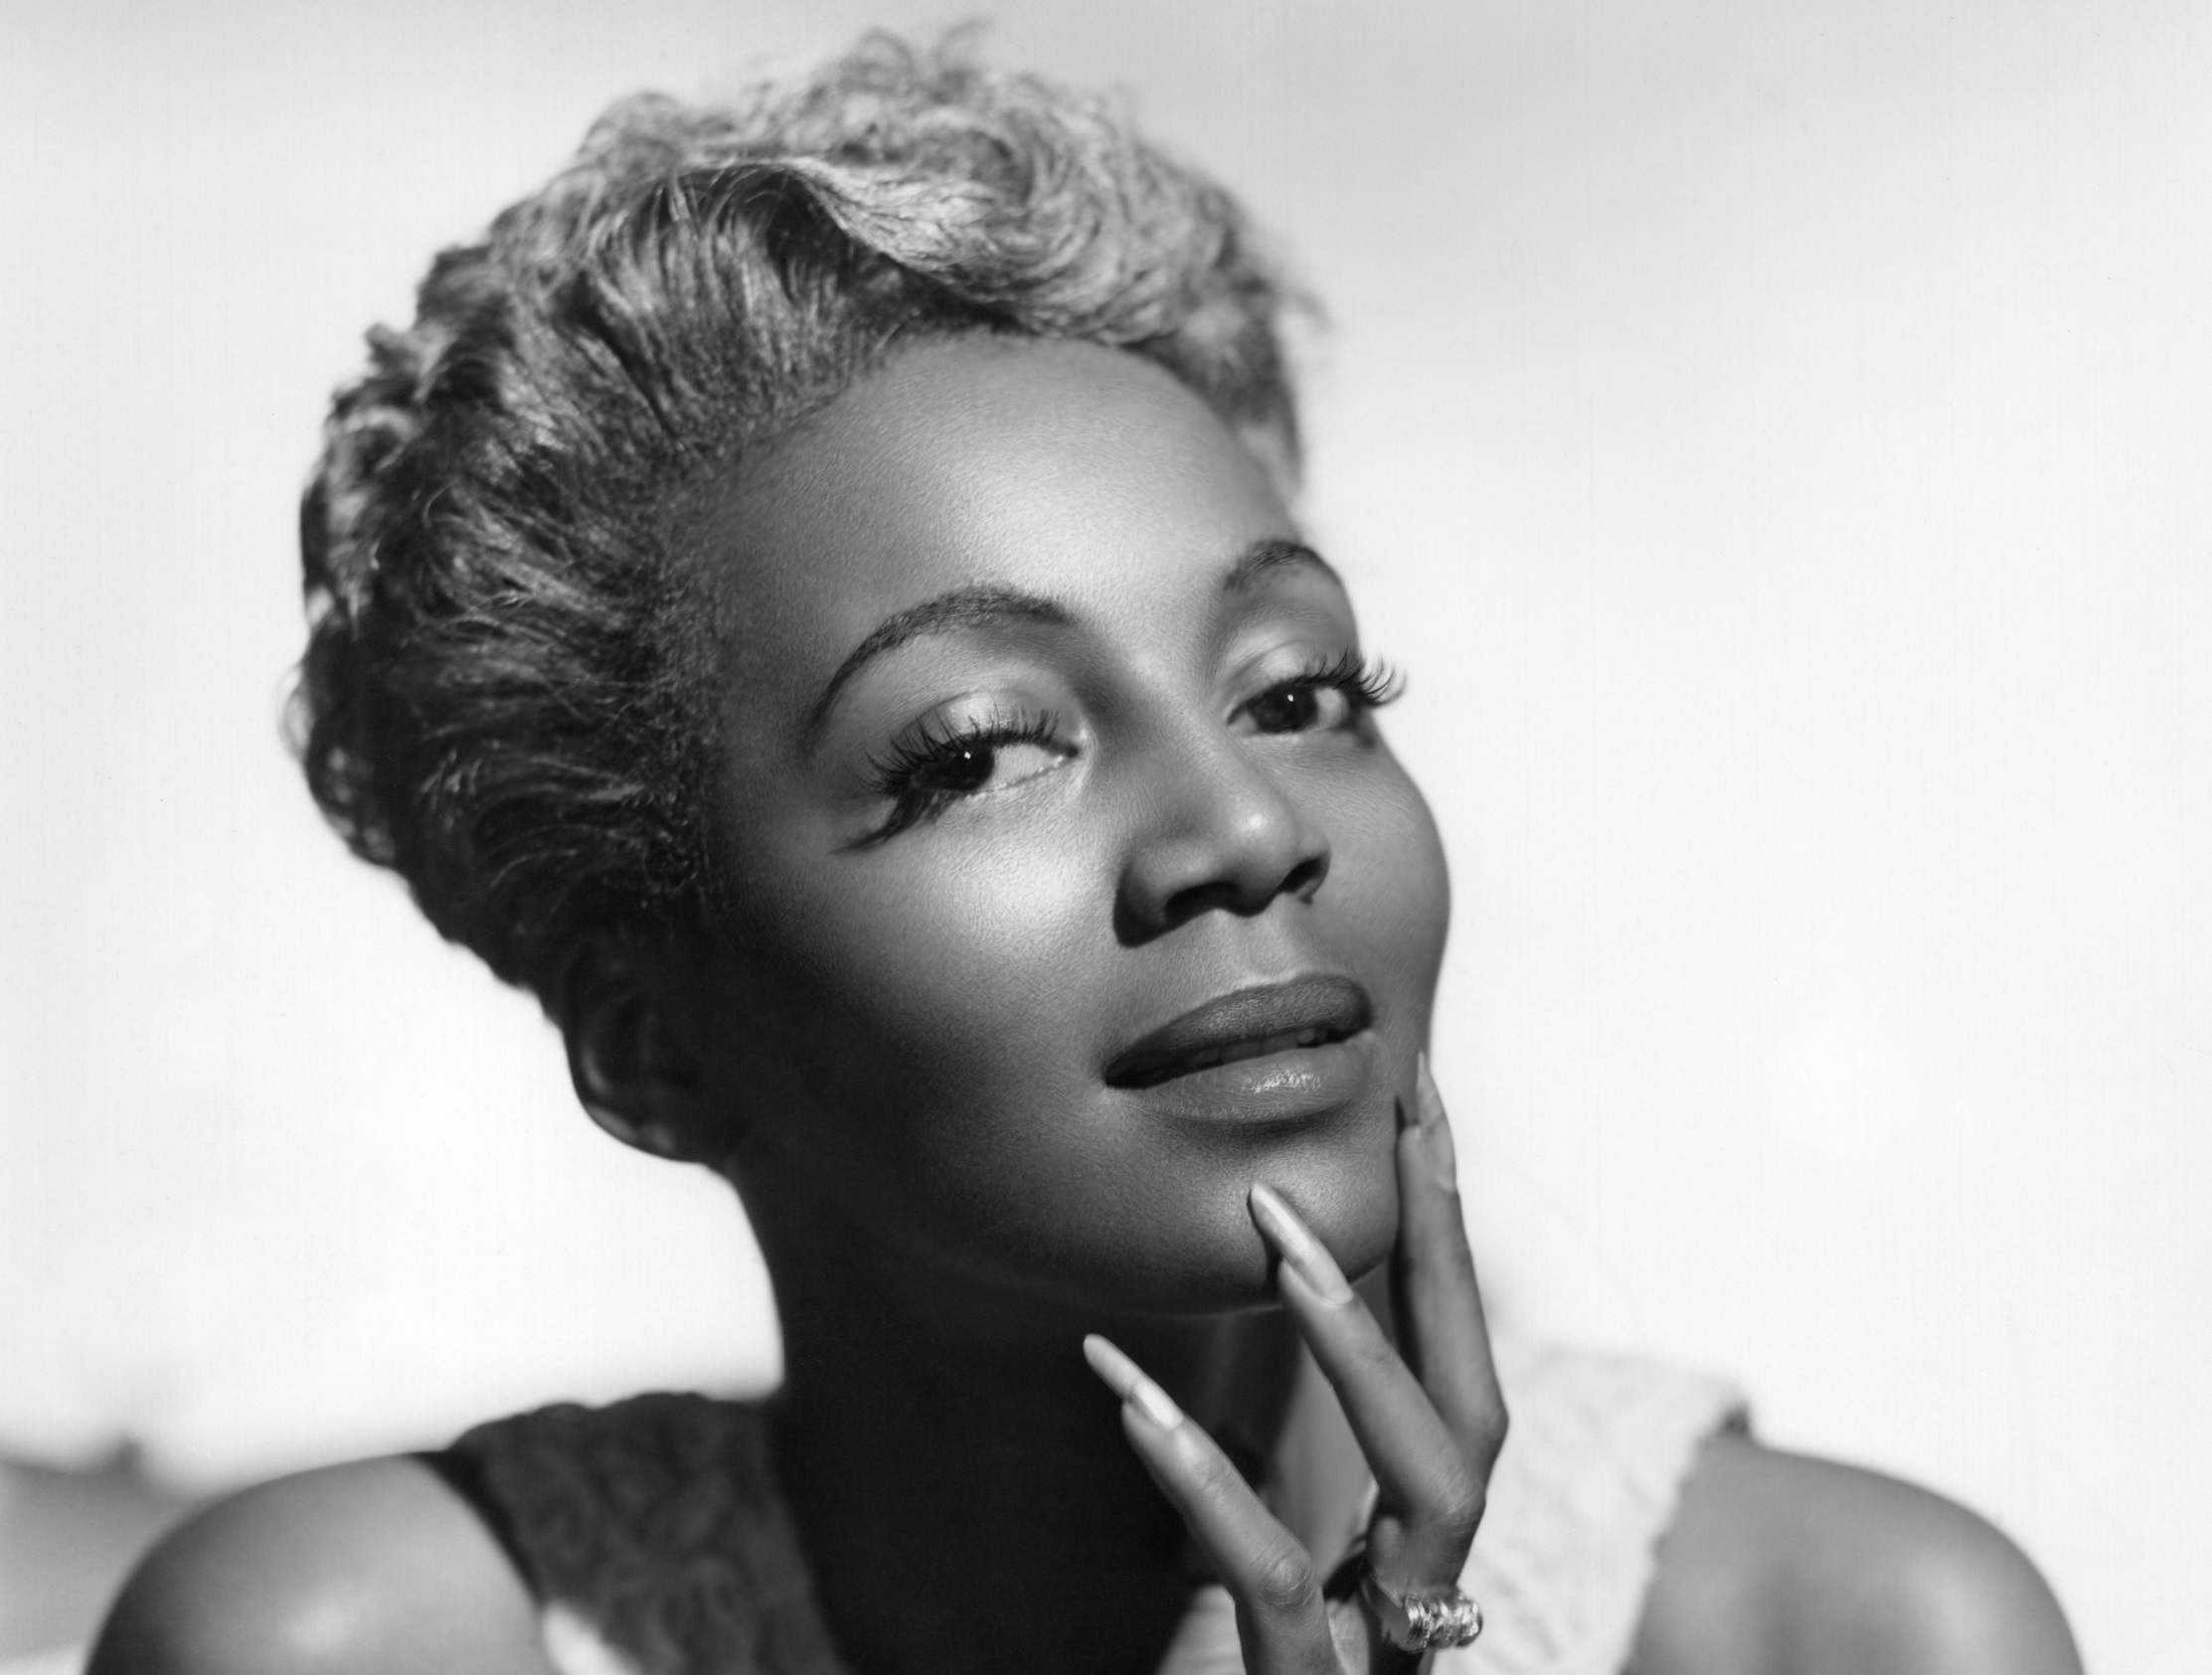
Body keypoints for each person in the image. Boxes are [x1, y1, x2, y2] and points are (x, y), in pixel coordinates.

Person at [87, 34, 2079, 1675]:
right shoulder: (366, 1642)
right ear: (647, 1041)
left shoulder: (1860, 1636)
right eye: (974, 752)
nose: (1242, 827)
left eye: (1301, 689)